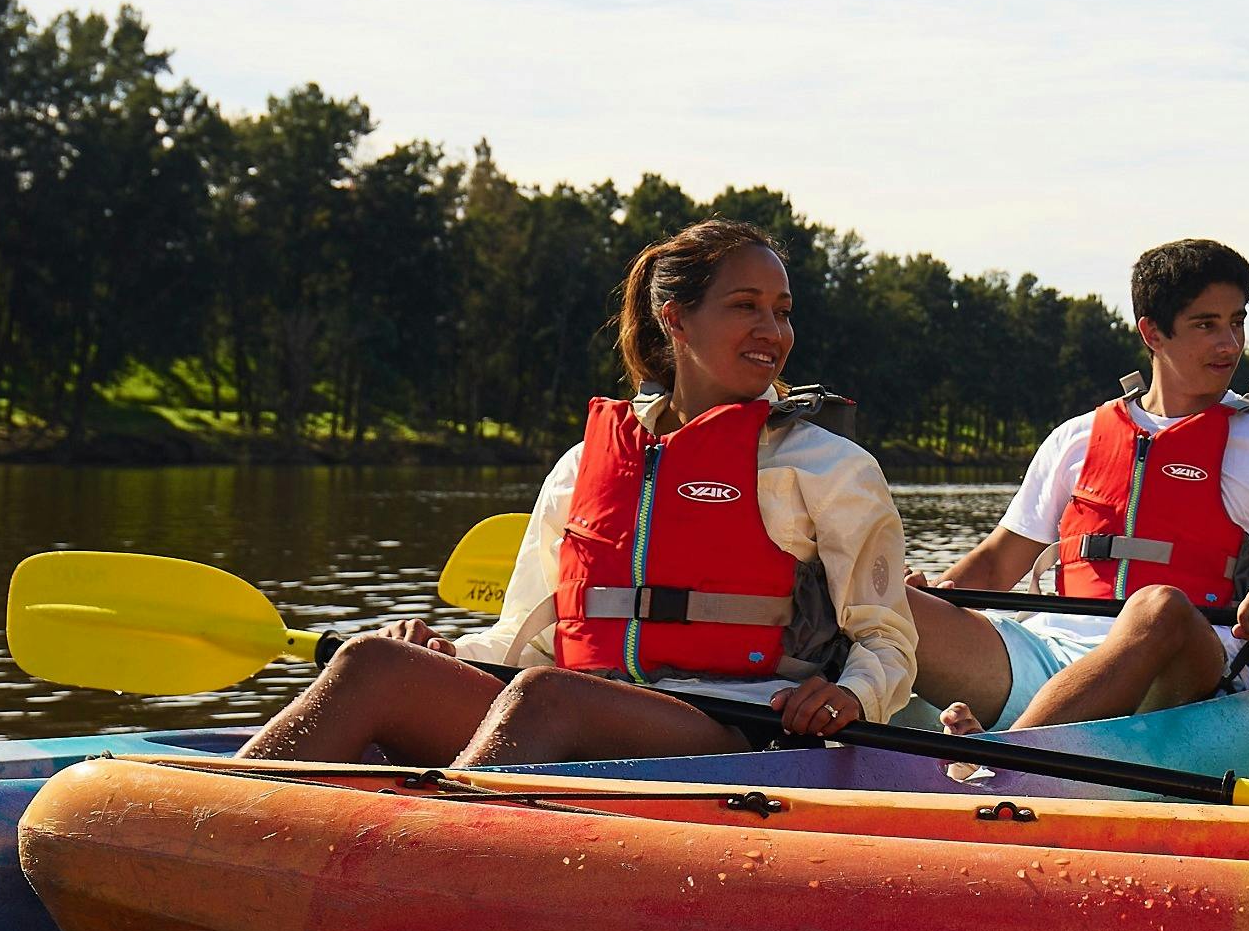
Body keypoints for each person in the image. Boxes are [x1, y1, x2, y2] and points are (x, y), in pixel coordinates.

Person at [239, 218, 915, 766]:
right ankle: (209, 829)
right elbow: (526, 640)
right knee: (373, 664)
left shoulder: (829, 469)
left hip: (740, 733)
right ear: (675, 321)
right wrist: (446, 653)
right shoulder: (583, 465)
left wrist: (851, 695)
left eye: (782, 311)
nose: (773, 331)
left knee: (548, 699)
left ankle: (431, 856)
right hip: (571, 700)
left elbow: (887, 642)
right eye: (746, 307)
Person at [911, 238, 1249, 731]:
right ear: (1152, 332)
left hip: (1185, 673)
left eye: (1237, 321)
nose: (1230, 344)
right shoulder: (1076, 438)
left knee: (1158, 607)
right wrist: (930, 594)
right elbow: (996, 564)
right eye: (1206, 325)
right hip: (1046, 656)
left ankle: (1006, 756)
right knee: (877, 601)